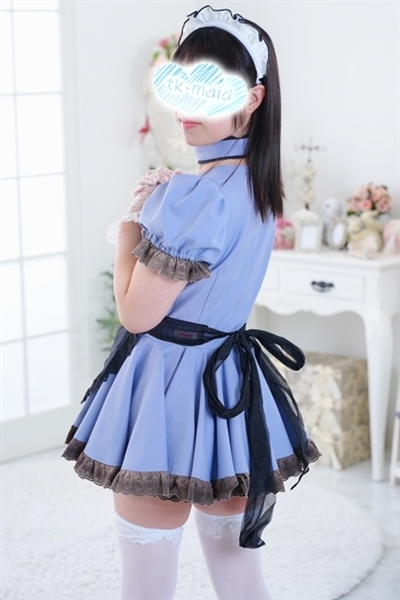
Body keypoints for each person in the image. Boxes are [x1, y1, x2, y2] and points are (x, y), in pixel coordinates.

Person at [63, 5, 320, 599]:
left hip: (168, 392)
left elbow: (136, 314)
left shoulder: (192, 197)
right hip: (230, 389)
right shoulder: (258, 187)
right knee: (238, 574)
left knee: (146, 586)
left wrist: (132, 224)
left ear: (252, 98)